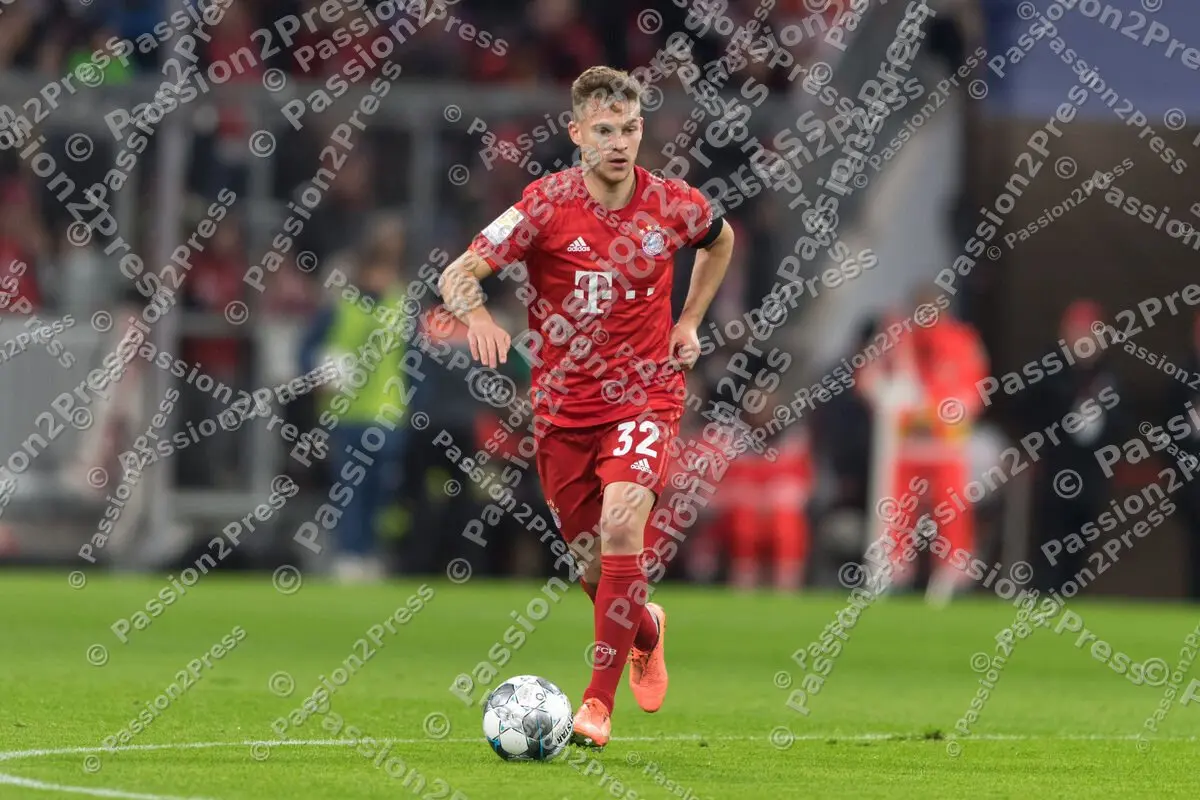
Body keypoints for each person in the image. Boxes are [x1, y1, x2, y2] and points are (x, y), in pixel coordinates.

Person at [437, 65, 735, 748]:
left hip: (645, 397)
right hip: (563, 412)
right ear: (576, 134)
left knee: (623, 526)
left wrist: (689, 320)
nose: (618, 143)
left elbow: (720, 240)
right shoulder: (545, 206)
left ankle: (596, 707)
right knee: (595, 570)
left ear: (641, 130)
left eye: (628, 129)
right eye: (604, 130)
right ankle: (646, 629)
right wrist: (477, 316)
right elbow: (457, 273)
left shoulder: (672, 203)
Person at [859, 293, 989, 603]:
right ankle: (894, 572)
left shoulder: (963, 342)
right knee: (898, 511)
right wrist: (894, 402)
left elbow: (974, 392)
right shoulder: (898, 338)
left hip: (945, 444)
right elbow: (868, 379)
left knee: (950, 511)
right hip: (907, 445)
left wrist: (934, 410)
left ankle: (951, 575)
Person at [300, 237, 410, 583]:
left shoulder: (401, 306)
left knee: (382, 489)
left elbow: (415, 359)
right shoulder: (339, 307)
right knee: (350, 486)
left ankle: (373, 551)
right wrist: (318, 373)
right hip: (347, 414)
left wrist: (418, 405)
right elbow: (307, 349)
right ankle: (349, 554)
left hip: (388, 414)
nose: (381, 277)